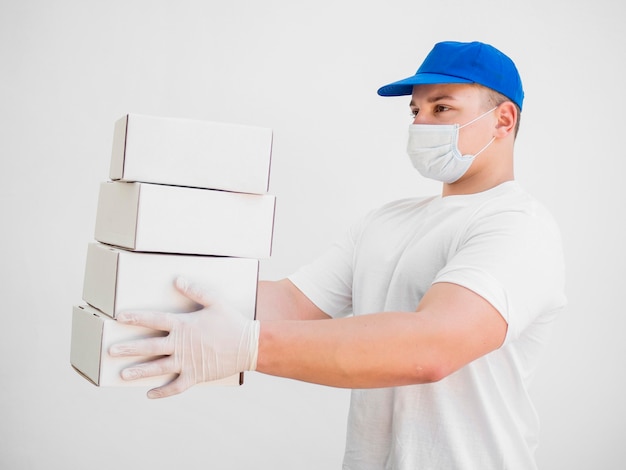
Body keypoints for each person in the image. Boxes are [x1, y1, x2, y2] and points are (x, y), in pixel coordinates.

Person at [110, 41, 567, 469]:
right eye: (415, 110)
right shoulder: (386, 221)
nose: (420, 124)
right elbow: (291, 303)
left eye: (441, 108)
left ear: (504, 120)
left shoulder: (518, 225)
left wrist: (246, 346)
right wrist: (142, 283)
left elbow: (431, 347)